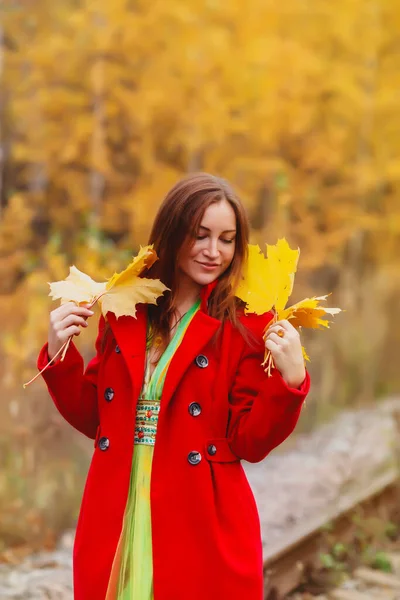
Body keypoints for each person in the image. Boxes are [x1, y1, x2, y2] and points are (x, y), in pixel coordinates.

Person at [38, 172, 310, 600]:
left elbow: (250, 442)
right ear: (171, 232)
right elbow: (94, 418)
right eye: (199, 235)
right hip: (119, 505)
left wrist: (290, 381)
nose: (212, 252)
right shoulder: (125, 308)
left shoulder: (245, 323)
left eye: (226, 239)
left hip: (198, 511)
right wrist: (60, 353)